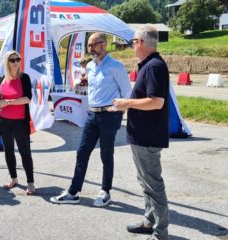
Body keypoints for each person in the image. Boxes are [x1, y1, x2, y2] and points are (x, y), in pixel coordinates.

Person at [50, 32, 132, 207]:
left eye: (94, 44)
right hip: (91, 114)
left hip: (109, 115)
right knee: (82, 152)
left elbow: (127, 94)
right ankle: (73, 192)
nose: (91, 48)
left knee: (106, 154)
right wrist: (85, 84)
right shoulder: (90, 67)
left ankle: (105, 191)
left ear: (104, 44)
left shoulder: (116, 67)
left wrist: (117, 113)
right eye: (89, 45)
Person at [112, 25, 170, 240]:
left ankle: (160, 233)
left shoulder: (154, 66)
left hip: (148, 136)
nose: (131, 45)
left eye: (134, 41)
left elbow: (156, 102)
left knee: (153, 186)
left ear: (143, 43)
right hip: (142, 135)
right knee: (146, 182)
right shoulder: (149, 65)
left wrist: (127, 103)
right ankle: (149, 221)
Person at [0, 50, 35, 195]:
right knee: (9, 151)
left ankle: (30, 183)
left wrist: (8, 102)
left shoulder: (24, 78)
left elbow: (28, 98)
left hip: (20, 122)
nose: (16, 62)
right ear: (7, 62)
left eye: (18, 59)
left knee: (25, 152)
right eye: (13, 60)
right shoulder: (1, 79)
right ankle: (13, 179)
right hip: (4, 121)